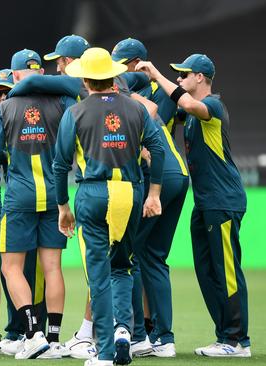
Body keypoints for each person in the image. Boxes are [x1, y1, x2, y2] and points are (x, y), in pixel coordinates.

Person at [53, 47, 165, 366]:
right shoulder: (136, 109)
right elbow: (156, 148)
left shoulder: (74, 113)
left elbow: (61, 166)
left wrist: (63, 207)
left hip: (92, 195)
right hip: (129, 194)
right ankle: (123, 333)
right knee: (124, 266)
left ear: (86, 79)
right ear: (112, 76)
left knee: (98, 274)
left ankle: (103, 352)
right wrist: (154, 194)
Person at [136, 54, 251, 358]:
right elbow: (161, 116)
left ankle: (238, 340)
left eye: (184, 75)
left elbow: (186, 104)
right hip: (205, 204)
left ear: (200, 78)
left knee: (226, 271)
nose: (179, 79)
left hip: (223, 201)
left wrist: (154, 73)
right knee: (206, 271)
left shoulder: (211, 105)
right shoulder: (189, 115)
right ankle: (224, 336)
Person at [0, 49, 76, 360]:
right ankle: (55, 338)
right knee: (52, 268)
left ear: (14, 75)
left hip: (20, 198)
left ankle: (32, 334)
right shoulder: (61, 103)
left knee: (11, 268)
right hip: (55, 196)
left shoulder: (5, 107)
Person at [112, 38, 189, 358]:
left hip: (153, 174)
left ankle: (139, 335)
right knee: (153, 257)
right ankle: (164, 338)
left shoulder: (129, 94)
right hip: (177, 173)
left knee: (128, 256)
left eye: (121, 65)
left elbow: (154, 110)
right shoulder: (146, 88)